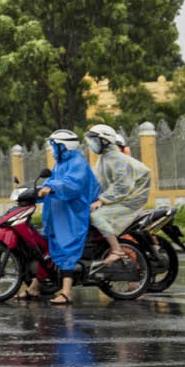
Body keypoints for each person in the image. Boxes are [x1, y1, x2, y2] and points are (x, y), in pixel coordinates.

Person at [34, 130, 97, 305]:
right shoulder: (60, 164)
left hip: (73, 213)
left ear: (64, 146)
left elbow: (72, 184)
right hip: (60, 213)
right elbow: (52, 182)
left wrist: (51, 187)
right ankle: (34, 286)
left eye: (55, 146)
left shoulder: (78, 163)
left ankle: (67, 292)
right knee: (48, 246)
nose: (53, 150)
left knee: (68, 248)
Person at [84, 123, 151, 269]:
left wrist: (102, 200)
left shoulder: (116, 158)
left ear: (104, 140)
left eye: (94, 141)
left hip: (131, 198)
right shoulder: (105, 158)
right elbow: (97, 181)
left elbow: (123, 185)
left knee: (96, 217)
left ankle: (116, 250)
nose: (92, 145)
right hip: (121, 197)